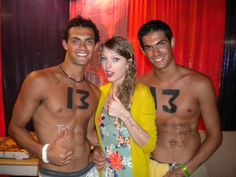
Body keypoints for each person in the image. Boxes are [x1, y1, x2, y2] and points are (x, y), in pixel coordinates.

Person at [8, 15, 101, 177]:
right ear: (65, 44)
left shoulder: (95, 92)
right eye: (75, 40)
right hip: (53, 173)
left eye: (89, 41)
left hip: (90, 170)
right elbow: (15, 128)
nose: (82, 47)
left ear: (95, 46)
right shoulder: (39, 80)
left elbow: (89, 133)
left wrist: (100, 148)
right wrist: (44, 152)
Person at [138, 20, 222, 177]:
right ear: (143, 52)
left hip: (190, 168)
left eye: (161, 44)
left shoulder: (200, 84)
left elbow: (215, 136)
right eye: (149, 48)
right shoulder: (139, 86)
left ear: (172, 42)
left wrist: (186, 170)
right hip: (152, 168)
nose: (156, 53)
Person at [94, 36, 157, 177]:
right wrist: (97, 150)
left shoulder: (141, 93)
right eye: (104, 59)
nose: (107, 66)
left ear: (128, 63)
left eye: (115, 59)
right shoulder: (102, 92)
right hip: (106, 172)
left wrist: (124, 114)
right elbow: (104, 136)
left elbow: (149, 145)